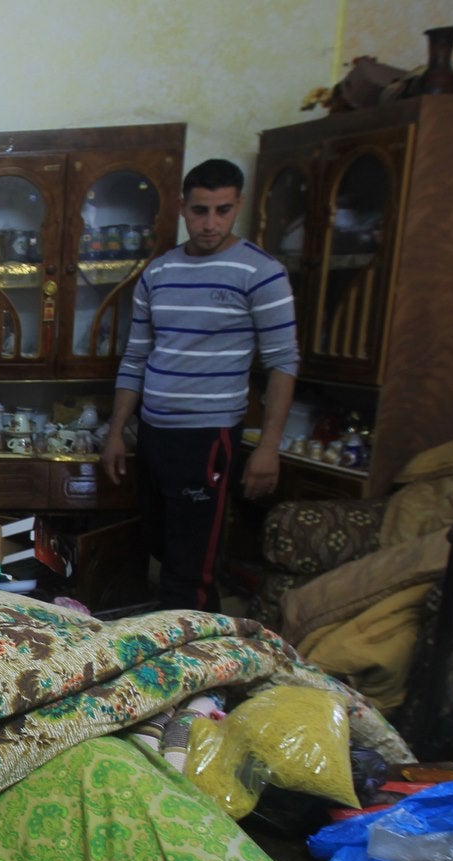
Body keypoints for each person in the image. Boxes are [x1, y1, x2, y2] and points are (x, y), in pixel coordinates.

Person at [100, 157, 299, 611]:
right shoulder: (160, 273)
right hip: (154, 434)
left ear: (238, 207)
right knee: (158, 546)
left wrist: (269, 446)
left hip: (208, 437)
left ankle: (197, 656)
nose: (210, 223)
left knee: (192, 565)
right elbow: (137, 357)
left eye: (223, 211)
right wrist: (116, 432)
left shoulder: (261, 273)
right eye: (200, 211)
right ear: (181, 207)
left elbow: (283, 363)